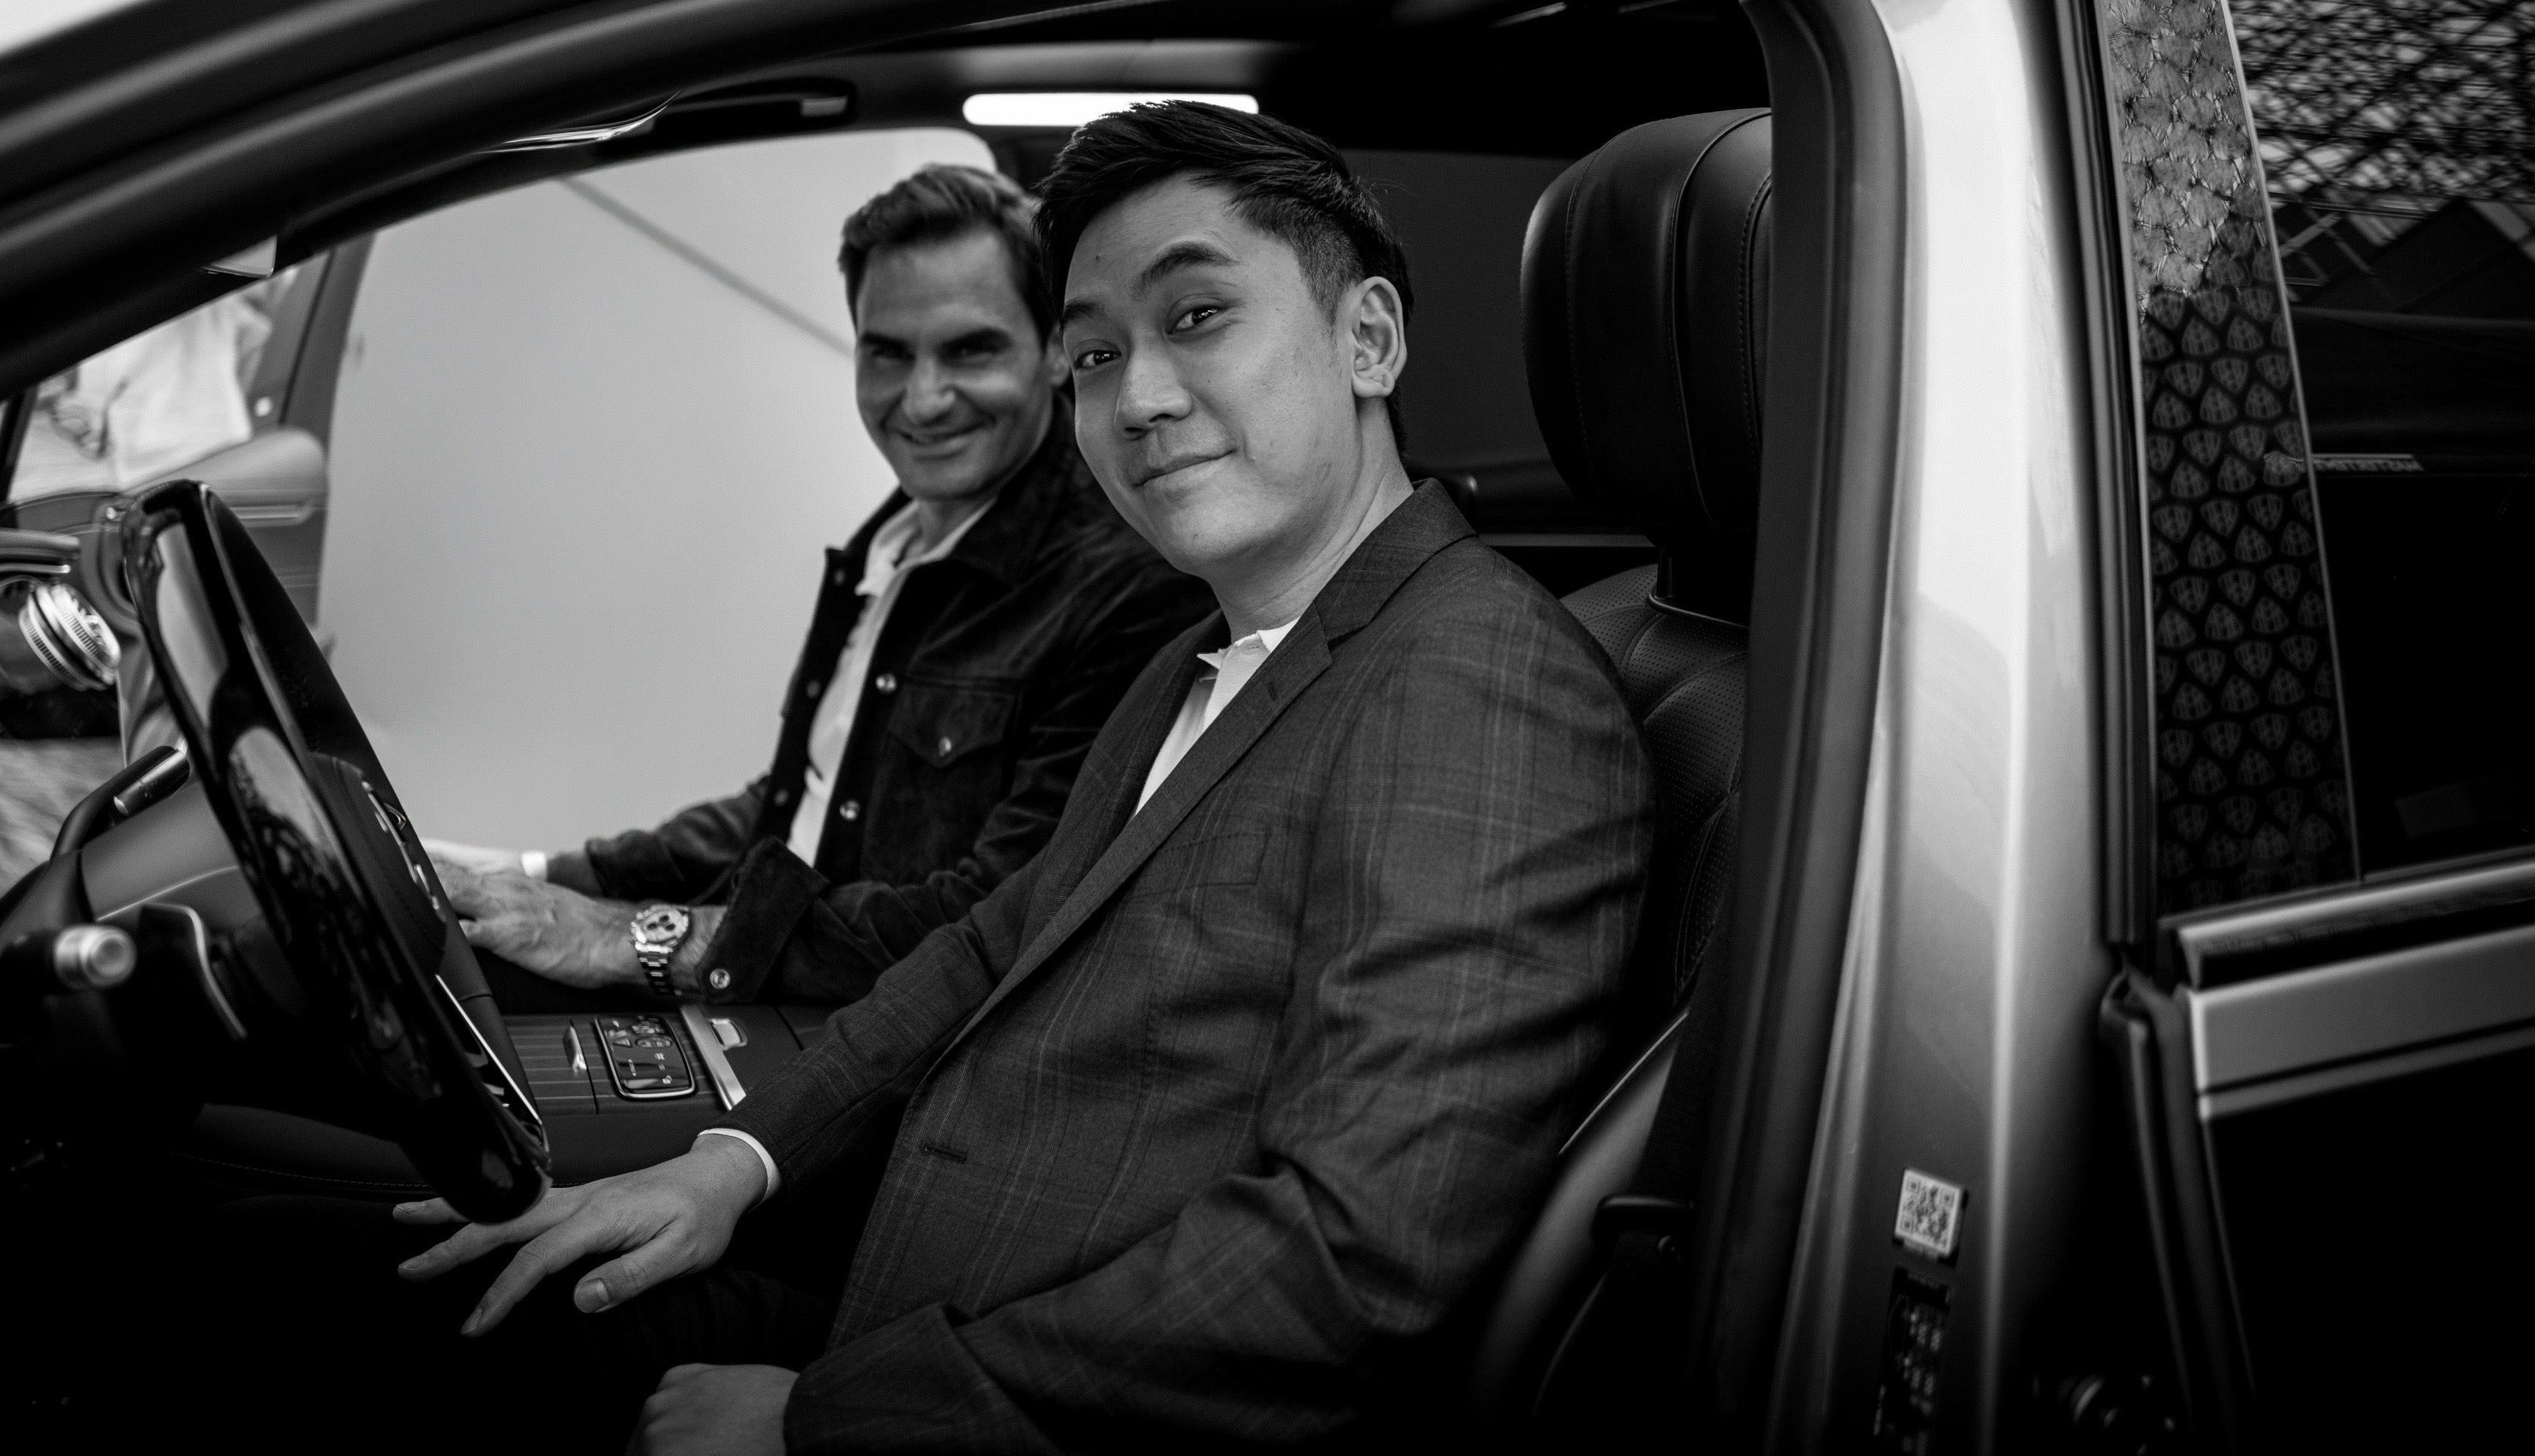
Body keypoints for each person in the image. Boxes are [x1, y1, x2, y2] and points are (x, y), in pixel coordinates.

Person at [376, 104, 1655, 1451]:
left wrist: (828, 1419)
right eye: (1095, 352)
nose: (1140, 397)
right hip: (918, 1292)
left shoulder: (1479, 684)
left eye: (1199, 317)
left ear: (1369, 339)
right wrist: (728, 1166)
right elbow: (989, 948)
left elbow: (1349, 1258)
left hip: (986, 1390)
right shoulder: (1200, 661)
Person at [427, 162, 1206, 1006]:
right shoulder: (893, 538)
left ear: (1055, 348)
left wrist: (629, 936)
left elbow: (989, 919)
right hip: (770, 990)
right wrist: (530, 874)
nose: (923, 397)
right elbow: (800, 803)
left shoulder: (1129, 586)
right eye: (887, 353)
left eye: (970, 349)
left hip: (870, 1048)